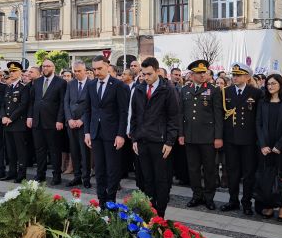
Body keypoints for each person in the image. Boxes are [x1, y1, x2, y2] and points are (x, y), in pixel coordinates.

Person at [130, 57, 179, 217]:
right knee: (146, 180)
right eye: (143, 74)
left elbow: (174, 118)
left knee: (161, 180)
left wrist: (170, 142)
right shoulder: (139, 89)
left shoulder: (168, 89)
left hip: (160, 143)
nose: (146, 77)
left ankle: (160, 215)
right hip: (142, 141)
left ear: (157, 71)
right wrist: (134, 138)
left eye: (149, 74)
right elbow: (134, 116)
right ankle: (149, 213)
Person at [78, 55, 129, 207]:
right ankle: (101, 201)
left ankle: (111, 201)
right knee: (99, 169)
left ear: (107, 66)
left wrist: (120, 134)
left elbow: (123, 112)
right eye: (94, 69)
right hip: (95, 133)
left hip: (113, 134)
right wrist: (87, 132)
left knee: (112, 169)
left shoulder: (119, 86)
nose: (97, 72)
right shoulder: (91, 85)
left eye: (100, 68)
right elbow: (87, 110)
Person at [220, 63, 264, 216]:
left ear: (247, 77)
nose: (235, 77)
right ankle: (233, 200)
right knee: (232, 172)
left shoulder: (256, 93)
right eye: (233, 75)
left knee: (248, 173)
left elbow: (259, 117)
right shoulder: (226, 91)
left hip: (249, 140)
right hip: (231, 138)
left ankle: (246, 202)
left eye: (238, 75)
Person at [180, 60, 224, 211]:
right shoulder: (185, 90)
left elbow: (218, 115)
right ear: (192, 75)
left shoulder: (213, 90)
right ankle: (196, 195)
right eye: (199, 73)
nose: (202, 75)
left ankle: (209, 197)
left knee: (210, 169)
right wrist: (181, 134)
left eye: (204, 72)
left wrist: (218, 137)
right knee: (193, 169)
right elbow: (181, 114)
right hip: (190, 136)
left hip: (208, 137)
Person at [256, 74, 282, 221]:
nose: (270, 86)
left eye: (273, 83)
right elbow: (258, 124)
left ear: (280, 85)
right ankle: (269, 206)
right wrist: (263, 145)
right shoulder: (262, 102)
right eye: (268, 84)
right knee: (267, 178)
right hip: (265, 147)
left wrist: (279, 145)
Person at [27, 59, 67, 184]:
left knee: (54, 150)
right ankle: (40, 174)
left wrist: (60, 120)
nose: (45, 68)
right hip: (37, 121)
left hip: (53, 122)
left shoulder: (61, 82)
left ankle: (56, 176)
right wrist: (30, 116)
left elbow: (63, 103)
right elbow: (32, 101)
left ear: (53, 68)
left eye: (48, 66)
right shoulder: (37, 82)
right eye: (43, 66)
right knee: (39, 150)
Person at [1, 61, 31, 183]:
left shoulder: (23, 87)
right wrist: (3, 116)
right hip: (7, 124)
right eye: (10, 71)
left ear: (20, 72)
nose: (12, 73)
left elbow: (23, 105)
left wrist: (11, 118)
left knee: (20, 151)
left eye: (14, 71)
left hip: (18, 123)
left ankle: (21, 174)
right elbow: (3, 105)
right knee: (10, 150)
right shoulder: (8, 87)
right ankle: (12, 172)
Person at [64, 60, 91, 188]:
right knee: (74, 151)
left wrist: (82, 120)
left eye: (79, 71)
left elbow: (92, 106)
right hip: (71, 124)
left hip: (84, 124)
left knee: (85, 153)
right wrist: (69, 119)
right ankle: (77, 176)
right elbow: (66, 102)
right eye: (75, 71)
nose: (76, 73)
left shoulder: (91, 84)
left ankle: (86, 178)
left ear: (85, 71)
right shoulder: (71, 84)